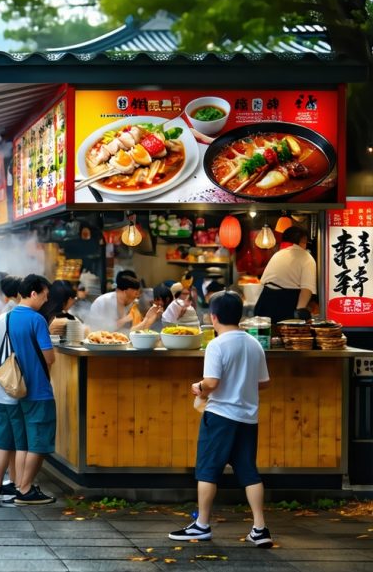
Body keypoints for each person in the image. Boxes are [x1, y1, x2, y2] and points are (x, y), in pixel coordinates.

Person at [169, 291, 273, 548]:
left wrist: (199, 387)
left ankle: (202, 524)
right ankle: (260, 528)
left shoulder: (217, 345)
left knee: (208, 470)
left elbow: (212, 383)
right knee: (249, 472)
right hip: (248, 418)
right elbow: (264, 383)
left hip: (220, 417)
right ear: (239, 315)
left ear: (213, 317)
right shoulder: (254, 344)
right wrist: (240, 384)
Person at [0, 274, 56, 505]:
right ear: (33, 293)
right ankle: (24, 489)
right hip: (37, 388)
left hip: (10, 388)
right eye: (45, 295)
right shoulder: (36, 320)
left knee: (9, 443)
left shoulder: (7, 318)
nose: (46, 300)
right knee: (36, 442)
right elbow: (50, 358)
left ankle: (4, 488)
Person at [254, 226, 317, 324]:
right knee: (285, 332)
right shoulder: (307, 258)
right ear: (303, 241)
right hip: (286, 303)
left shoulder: (277, 255)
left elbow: (263, 283)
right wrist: (299, 311)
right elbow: (307, 289)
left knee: (264, 332)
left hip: (264, 302)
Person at [88, 271, 159, 333]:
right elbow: (97, 329)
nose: (136, 296)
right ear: (125, 292)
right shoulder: (102, 302)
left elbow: (135, 331)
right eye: (135, 293)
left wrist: (147, 320)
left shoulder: (134, 305)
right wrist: (123, 320)